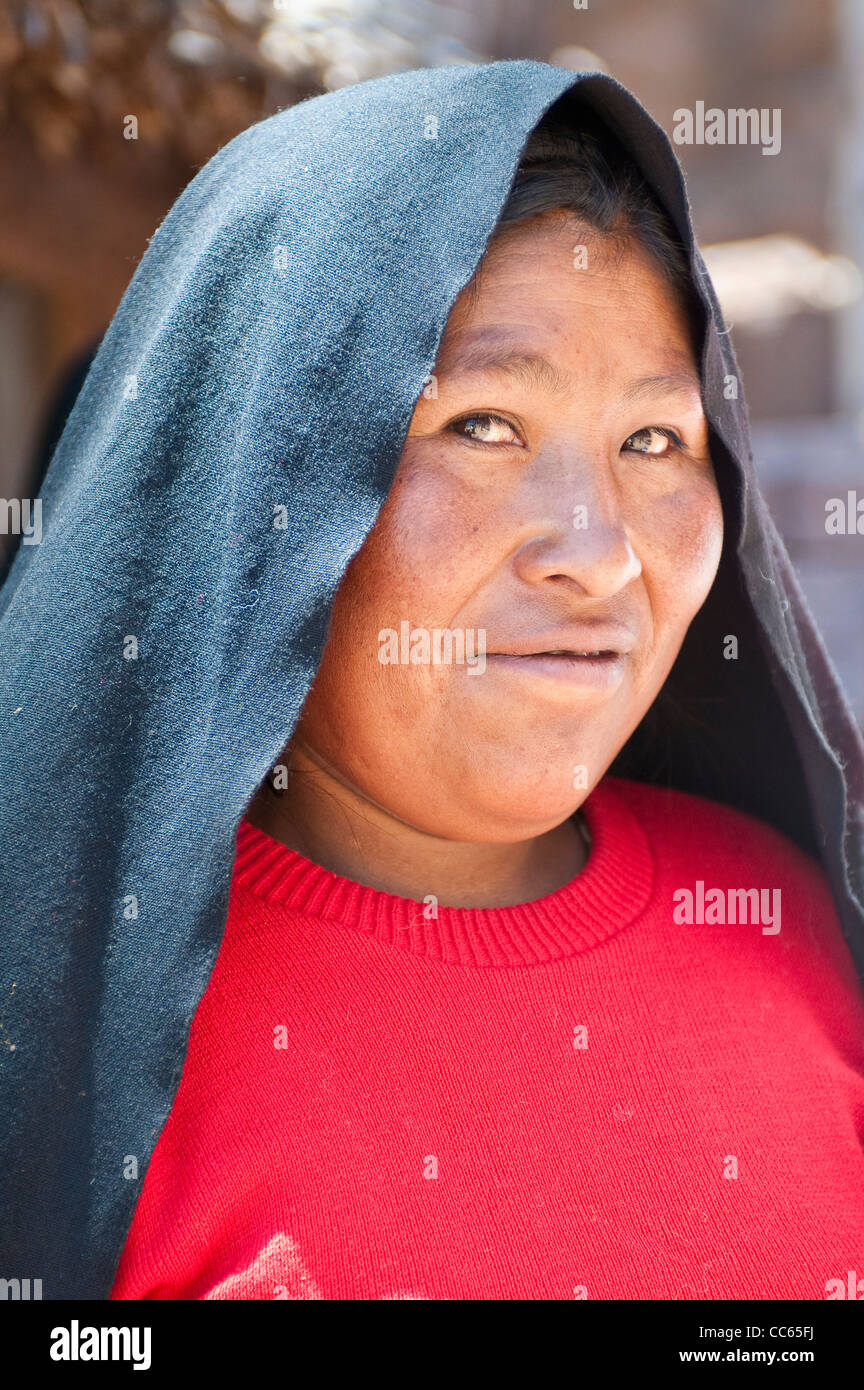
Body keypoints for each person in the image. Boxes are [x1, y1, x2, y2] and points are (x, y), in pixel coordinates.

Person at [1, 61, 862, 1302]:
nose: (599, 548)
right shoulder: (65, 1039)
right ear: (270, 479)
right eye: (482, 426)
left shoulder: (790, 927)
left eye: (653, 440)